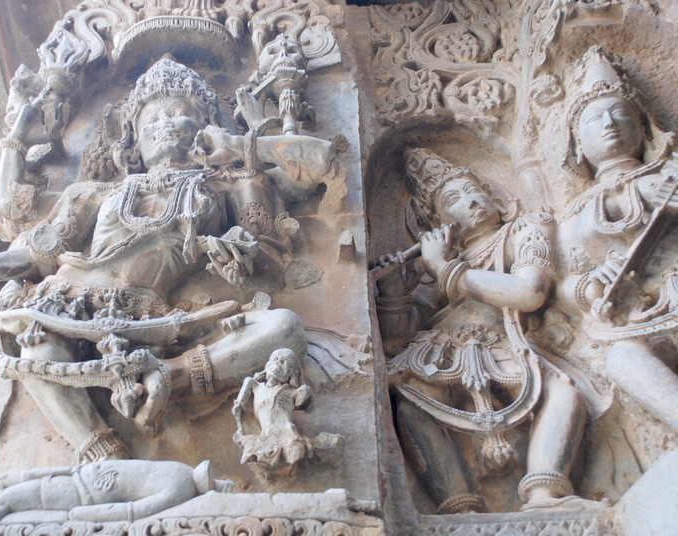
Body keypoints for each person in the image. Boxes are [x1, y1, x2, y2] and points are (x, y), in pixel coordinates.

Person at [0, 57, 336, 463]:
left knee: (284, 328)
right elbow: (37, 249)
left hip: (154, 321)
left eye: (178, 113)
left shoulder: (231, 185)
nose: (164, 125)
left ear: (206, 126)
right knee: (37, 348)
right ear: (132, 140)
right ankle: (101, 454)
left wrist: (242, 244)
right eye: (152, 119)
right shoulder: (95, 192)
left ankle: (170, 375)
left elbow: (285, 243)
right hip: (67, 301)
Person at [384, 149, 589, 513]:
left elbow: (529, 292)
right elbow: (398, 340)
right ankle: (458, 506)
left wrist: (446, 270)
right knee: (410, 395)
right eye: (453, 200)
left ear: (493, 195)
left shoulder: (524, 230)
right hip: (442, 352)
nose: (472, 201)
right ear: (437, 222)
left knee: (564, 393)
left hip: (506, 346)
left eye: (474, 190)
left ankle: (544, 494)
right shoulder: (436, 266)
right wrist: (395, 293)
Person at [550, 46, 678, 432]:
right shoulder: (574, 213)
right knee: (621, 359)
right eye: (594, 119)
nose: (609, 124)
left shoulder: (668, 174)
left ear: (643, 125)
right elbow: (563, 284)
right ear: (577, 141)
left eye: (620, 114)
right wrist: (592, 284)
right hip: (632, 318)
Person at [0, 459, 232, 536]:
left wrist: (81, 515)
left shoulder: (181, 480)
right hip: (79, 484)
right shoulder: (181, 476)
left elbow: (133, 511)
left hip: (79, 489)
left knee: (4, 501)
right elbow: (133, 507)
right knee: (7, 498)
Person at [232, 348, 341, 472]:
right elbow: (238, 406)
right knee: (261, 456)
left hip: (287, 433)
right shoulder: (254, 385)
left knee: (295, 453)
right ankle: (320, 444)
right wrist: (239, 410)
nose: (277, 366)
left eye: (284, 363)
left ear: (293, 373)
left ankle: (322, 445)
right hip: (265, 436)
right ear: (267, 364)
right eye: (275, 360)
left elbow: (309, 407)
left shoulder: (291, 392)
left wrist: (305, 392)